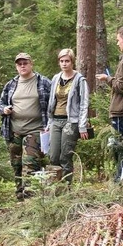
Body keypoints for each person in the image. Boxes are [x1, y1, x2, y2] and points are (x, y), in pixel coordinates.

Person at [0, 53, 51, 201]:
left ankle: (31, 199)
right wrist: (4, 109)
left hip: (35, 130)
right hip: (14, 131)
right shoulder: (11, 84)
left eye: (25, 63)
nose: (22, 66)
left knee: (30, 165)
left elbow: (53, 103)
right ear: (16, 66)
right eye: (19, 64)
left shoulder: (43, 82)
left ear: (31, 64)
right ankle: (20, 195)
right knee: (17, 166)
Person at [46, 48, 90, 185]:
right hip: (55, 120)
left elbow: (84, 103)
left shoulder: (79, 80)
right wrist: (49, 122)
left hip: (71, 122)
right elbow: (51, 101)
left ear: (72, 62)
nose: (64, 64)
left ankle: (66, 187)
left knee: (65, 156)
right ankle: (55, 186)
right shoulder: (55, 78)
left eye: (67, 61)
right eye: (62, 61)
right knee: (53, 156)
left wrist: (82, 126)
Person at [96, 26, 123, 182]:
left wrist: (108, 79)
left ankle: (119, 179)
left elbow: (120, 86)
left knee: (118, 148)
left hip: (120, 112)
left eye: (118, 39)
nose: (117, 43)